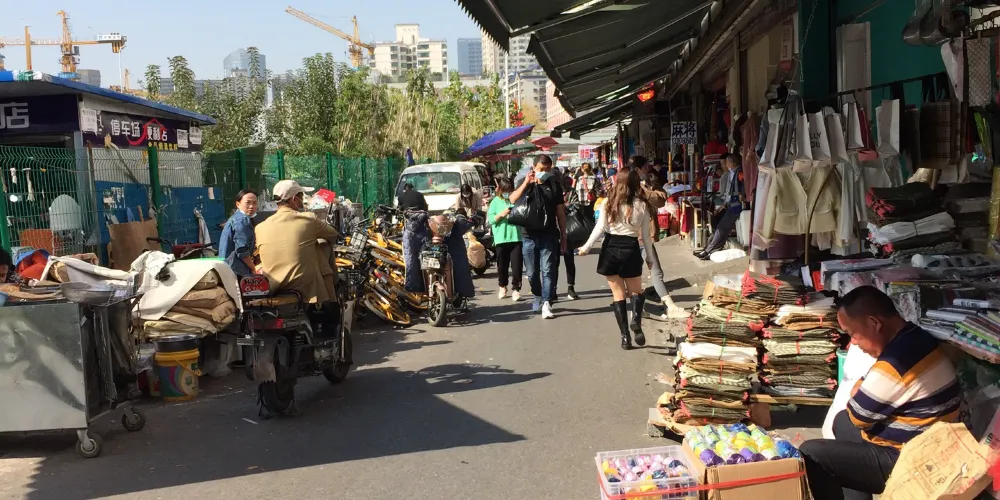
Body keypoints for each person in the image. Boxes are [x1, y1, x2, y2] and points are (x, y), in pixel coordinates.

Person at [798, 286, 961, 500]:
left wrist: (860, 393)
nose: (853, 343)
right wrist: (861, 393)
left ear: (874, 323)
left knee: (812, 453)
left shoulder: (894, 363)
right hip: (927, 439)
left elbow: (859, 415)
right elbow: (860, 399)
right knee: (841, 421)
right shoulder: (914, 336)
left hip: (913, 458)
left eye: (852, 334)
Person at [576, 169, 654, 350]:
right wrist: (649, 258)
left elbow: (600, 228)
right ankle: (636, 319)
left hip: (611, 248)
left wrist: (586, 247)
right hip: (631, 248)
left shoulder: (608, 202)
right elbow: (646, 236)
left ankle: (625, 338)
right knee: (636, 292)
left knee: (618, 295)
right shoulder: (642, 205)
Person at [255, 180, 341, 343]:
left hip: (273, 284)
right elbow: (333, 234)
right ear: (294, 199)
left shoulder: (261, 227)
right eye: (301, 197)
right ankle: (331, 297)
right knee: (322, 244)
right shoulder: (308, 220)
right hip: (304, 286)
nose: (303, 201)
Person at [627, 156, 687, 319]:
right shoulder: (640, 188)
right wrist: (655, 184)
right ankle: (670, 307)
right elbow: (660, 199)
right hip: (641, 236)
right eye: (646, 168)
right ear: (638, 170)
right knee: (655, 272)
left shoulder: (626, 186)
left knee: (635, 274)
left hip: (630, 236)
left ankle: (637, 310)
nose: (648, 170)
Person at [511, 155, 567, 319]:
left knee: (548, 270)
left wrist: (564, 235)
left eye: (548, 169)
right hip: (528, 235)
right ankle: (537, 295)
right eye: (541, 169)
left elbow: (560, 213)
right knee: (531, 272)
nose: (545, 172)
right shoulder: (525, 183)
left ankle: (547, 302)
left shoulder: (554, 186)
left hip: (549, 235)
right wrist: (526, 183)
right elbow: (513, 199)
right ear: (534, 168)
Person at [696, 153, 744, 260]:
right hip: (731, 204)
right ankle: (711, 250)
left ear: (731, 163)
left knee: (721, 228)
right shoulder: (732, 173)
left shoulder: (739, 173)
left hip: (736, 205)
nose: (725, 165)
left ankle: (708, 250)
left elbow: (739, 190)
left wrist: (740, 196)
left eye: (726, 163)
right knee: (721, 227)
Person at [487, 178, 522, 302]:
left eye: (509, 190)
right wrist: (501, 214)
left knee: (517, 266)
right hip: (501, 239)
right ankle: (502, 286)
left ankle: (516, 289)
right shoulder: (495, 202)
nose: (507, 193)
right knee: (502, 266)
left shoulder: (514, 200)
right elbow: (491, 220)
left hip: (516, 237)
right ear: (500, 190)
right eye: (505, 190)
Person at [218, 189, 259, 277]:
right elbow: (242, 250)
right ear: (238, 204)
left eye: (254, 203)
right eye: (248, 203)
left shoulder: (236, 218)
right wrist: (253, 268)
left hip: (227, 267)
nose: (251, 206)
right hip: (237, 270)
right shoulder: (242, 220)